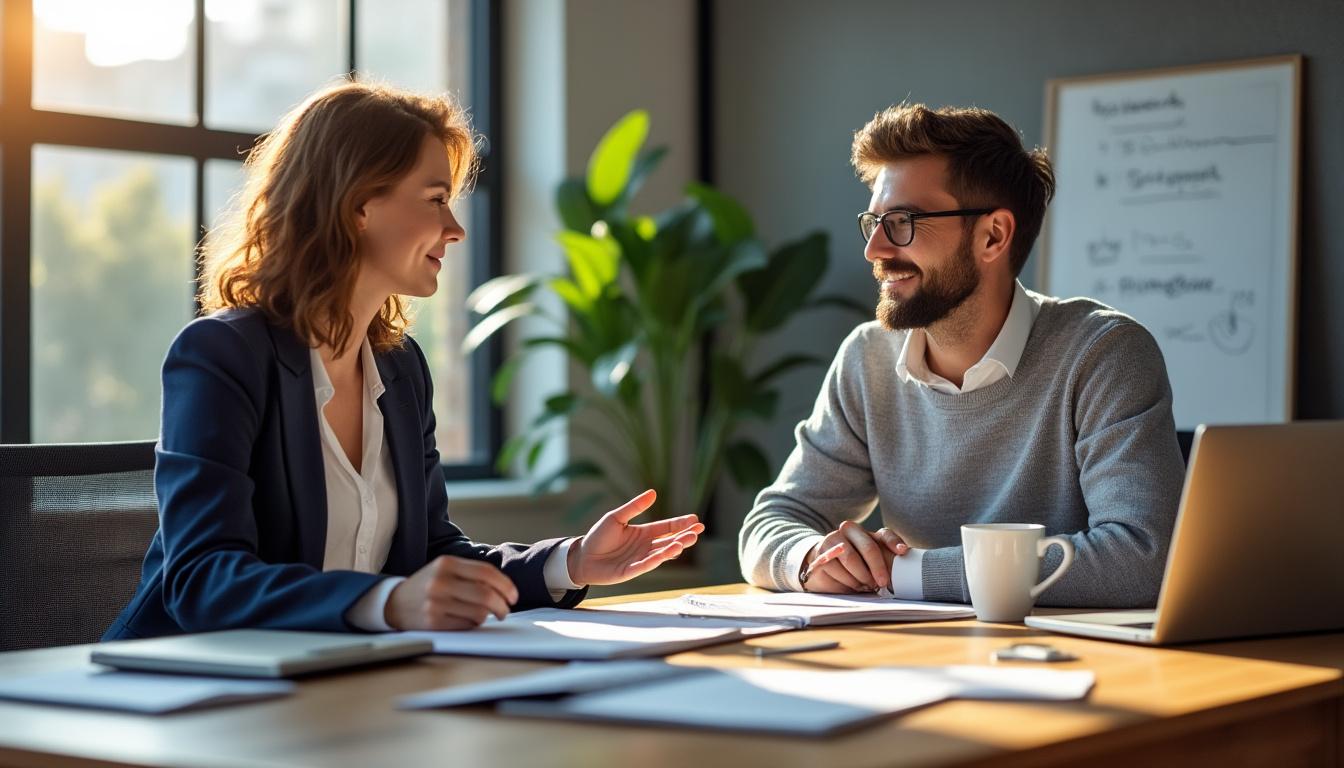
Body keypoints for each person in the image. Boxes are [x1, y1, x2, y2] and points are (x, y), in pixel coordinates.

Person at [105, 82, 702, 640]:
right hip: (186, 695)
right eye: (437, 199)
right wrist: (388, 603)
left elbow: (433, 554)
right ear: (358, 204)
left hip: (333, 687)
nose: (456, 229)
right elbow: (202, 579)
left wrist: (569, 563)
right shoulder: (222, 354)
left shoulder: (400, 368)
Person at [738, 103, 1184, 607]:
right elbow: (771, 523)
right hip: (917, 661)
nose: (876, 250)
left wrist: (906, 573)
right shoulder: (868, 359)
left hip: (1074, 668)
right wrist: (811, 560)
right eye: (875, 221)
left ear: (993, 235)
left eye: (903, 221)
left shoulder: (1103, 354)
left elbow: (1143, 557)